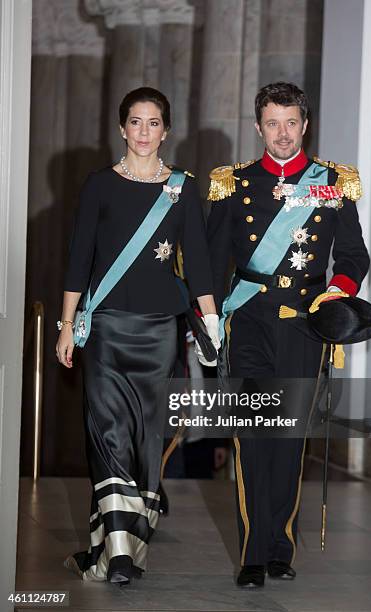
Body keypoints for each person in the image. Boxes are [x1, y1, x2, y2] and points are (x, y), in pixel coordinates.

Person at [205, 82, 369, 588]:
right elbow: (212, 263)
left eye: (291, 122)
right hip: (249, 323)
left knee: (288, 441)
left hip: (303, 327)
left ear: (305, 124)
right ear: (258, 127)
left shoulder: (333, 183)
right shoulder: (232, 184)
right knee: (253, 438)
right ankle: (253, 553)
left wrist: (336, 293)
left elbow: (353, 257)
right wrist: (208, 322)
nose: (283, 133)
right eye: (272, 123)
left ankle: (281, 546)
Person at [56, 87, 219, 585]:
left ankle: (117, 546)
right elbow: (79, 257)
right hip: (105, 329)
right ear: (122, 128)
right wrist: (67, 325)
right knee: (107, 434)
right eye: (135, 121)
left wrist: (211, 325)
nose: (144, 132)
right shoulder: (100, 185)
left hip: (159, 334)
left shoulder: (183, 188)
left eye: (153, 123)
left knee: (149, 437)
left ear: (166, 130)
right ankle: (121, 552)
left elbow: (200, 263)